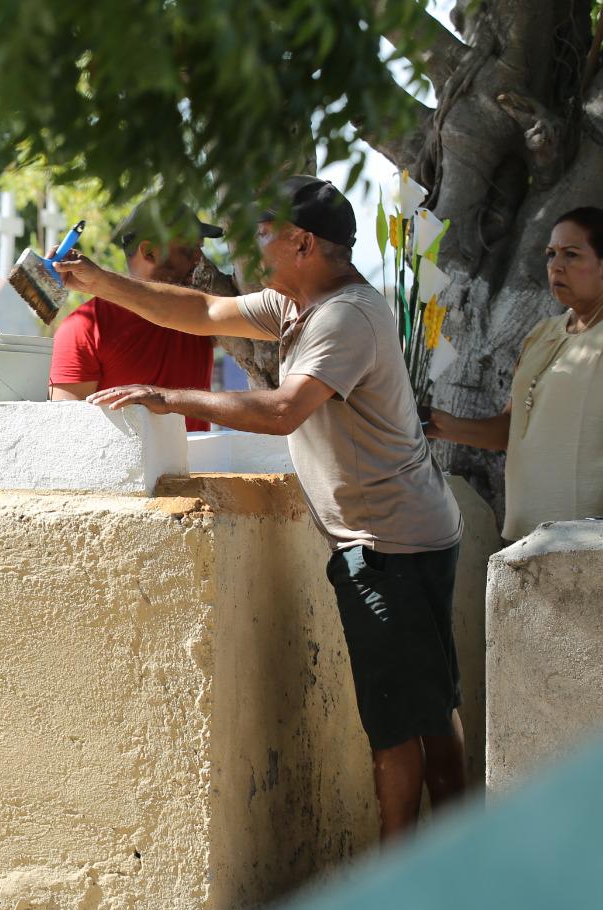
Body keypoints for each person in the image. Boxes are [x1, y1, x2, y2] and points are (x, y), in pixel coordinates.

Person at [54, 176, 466, 841]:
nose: (251, 251)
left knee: (398, 727)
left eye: (262, 235)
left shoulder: (346, 316)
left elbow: (282, 411)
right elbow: (201, 313)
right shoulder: (295, 303)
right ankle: (450, 881)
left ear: (302, 241)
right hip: (404, 534)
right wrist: (102, 281)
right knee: (428, 710)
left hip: (392, 545)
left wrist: (169, 396)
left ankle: (407, 896)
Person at [424, 206, 603, 540]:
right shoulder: (541, 334)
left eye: (572, 254)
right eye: (551, 254)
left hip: (587, 542)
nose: (556, 266)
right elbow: (513, 427)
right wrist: (445, 427)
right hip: (526, 535)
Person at [50, 201, 223, 431]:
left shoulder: (203, 311)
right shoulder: (86, 327)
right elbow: (66, 433)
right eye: (188, 249)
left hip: (202, 467)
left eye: (200, 249)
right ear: (149, 251)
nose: (199, 259)